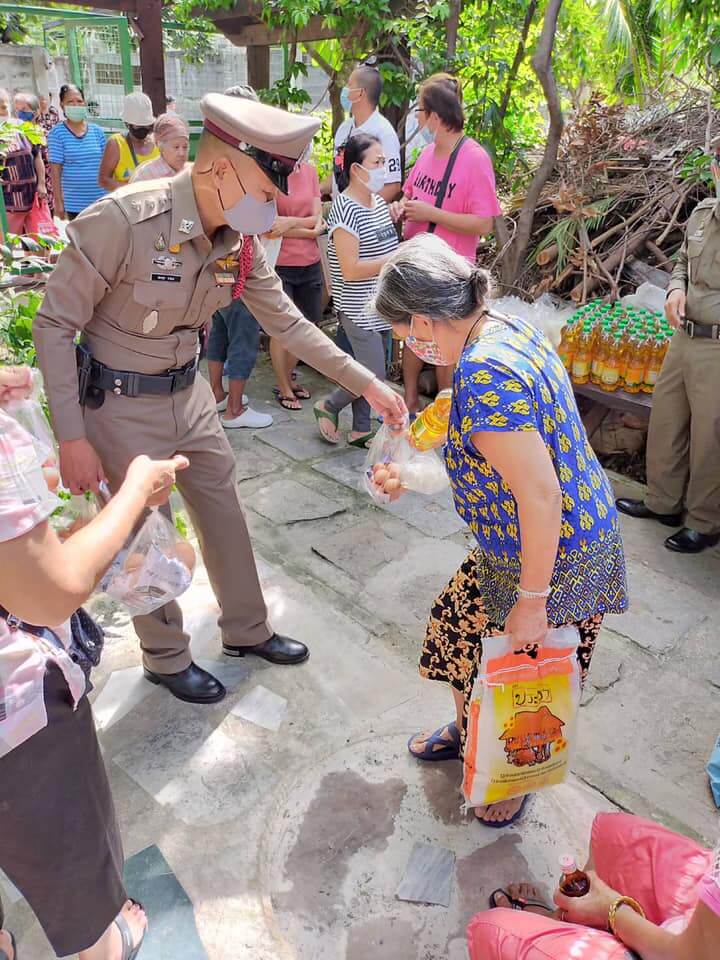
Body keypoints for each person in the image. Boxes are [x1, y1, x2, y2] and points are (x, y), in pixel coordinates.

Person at [33, 92, 406, 706]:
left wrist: (366, 383)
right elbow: (52, 326)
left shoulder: (237, 237)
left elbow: (288, 323)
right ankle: (166, 656)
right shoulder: (122, 220)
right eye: (267, 186)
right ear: (219, 168)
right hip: (120, 405)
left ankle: (246, 629)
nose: (274, 203)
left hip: (190, 398)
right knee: (143, 537)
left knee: (224, 511)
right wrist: (72, 436)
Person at [371, 234, 627, 826]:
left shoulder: (485, 372)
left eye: (405, 333)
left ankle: (510, 774)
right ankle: (470, 732)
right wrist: (412, 474)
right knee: (456, 629)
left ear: (426, 319)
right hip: (515, 543)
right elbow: (495, 449)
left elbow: (539, 495)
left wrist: (534, 603)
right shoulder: (500, 327)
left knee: (523, 677)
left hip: (554, 554)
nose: (407, 345)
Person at [0, 364, 190, 960]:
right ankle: (101, 944)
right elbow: (48, 590)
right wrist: (135, 492)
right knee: (69, 844)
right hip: (16, 708)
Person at [390, 73, 502, 415]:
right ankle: (409, 399)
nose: (418, 121)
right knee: (413, 333)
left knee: (445, 341)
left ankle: (445, 412)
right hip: (416, 261)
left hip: (451, 269)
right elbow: (410, 195)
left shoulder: (474, 158)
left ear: (436, 117)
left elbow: (484, 223)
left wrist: (433, 212)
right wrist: (401, 207)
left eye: (421, 113)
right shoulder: (426, 154)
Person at [467, 812, 720, 960]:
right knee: (612, 831)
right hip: (695, 932)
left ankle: (568, 926)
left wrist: (613, 910)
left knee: (491, 928)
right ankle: (568, 922)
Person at [616, 194, 720, 554]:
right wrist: (676, 288)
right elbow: (681, 264)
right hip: (684, 335)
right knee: (666, 420)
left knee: (710, 436)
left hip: (717, 346)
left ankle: (703, 523)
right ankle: (663, 503)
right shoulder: (704, 212)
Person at [313, 134, 399, 448]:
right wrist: (392, 260)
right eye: (376, 163)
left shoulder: (377, 202)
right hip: (357, 308)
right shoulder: (345, 210)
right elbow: (350, 270)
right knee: (373, 375)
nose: (382, 169)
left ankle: (362, 428)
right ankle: (329, 405)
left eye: (384, 162)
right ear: (355, 169)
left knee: (365, 369)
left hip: (380, 306)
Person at [206, 83, 274, 430]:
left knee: (219, 324)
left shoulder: (213, 156)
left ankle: (218, 393)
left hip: (218, 258)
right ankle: (235, 408)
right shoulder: (243, 157)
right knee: (244, 330)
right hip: (237, 259)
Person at [268, 154, 325, 410]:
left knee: (308, 324)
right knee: (282, 328)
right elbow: (270, 227)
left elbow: (318, 220)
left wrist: (290, 222)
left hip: (310, 261)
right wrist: (309, 230)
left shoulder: (310, 171)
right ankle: (283, 385)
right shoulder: (271, 172)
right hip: (281, 261)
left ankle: (289, 378)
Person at [327, 63, 401, 203]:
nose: (345, 90)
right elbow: (338, 174)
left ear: (361, 93)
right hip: (341, 217)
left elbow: (393, 186)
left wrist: (362, 211)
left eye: (349, 85)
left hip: (365, 220)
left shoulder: (384, 133)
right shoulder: (344, 129)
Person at [48, 84, 107, 220]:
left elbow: (106, 165)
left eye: (79, 101)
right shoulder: (57, 134)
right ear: (62, 105)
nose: (76, 105)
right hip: (74, 204)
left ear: (84, 103)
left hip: (101, 200)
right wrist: (58, 202)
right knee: (81, 241)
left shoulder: (97, 131)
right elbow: (55, 171)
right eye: (70, 102)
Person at [0, 94, 47, 236]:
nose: (2, 111)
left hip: (33, 198)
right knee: (7, 245)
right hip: (8, 201)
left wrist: (42, 184)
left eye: (3, 107)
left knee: (39, 242)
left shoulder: (24, 128)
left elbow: (37, 156)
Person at [98, 91, 160, 191]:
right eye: (138, 125)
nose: (143, 128)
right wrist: (132, 188)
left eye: (146, 124)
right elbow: (103, 180)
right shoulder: (116, 143)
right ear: (127, 123)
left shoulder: (158, 142)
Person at [129, 112, 190, 183]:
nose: (181, 153)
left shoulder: (191, 172)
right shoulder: (145, 176)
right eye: (176, 147)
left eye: (185, 147)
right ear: (161, 146)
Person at [36, 92, 60, 216]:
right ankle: (46, 212)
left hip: (53, 153)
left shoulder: (53, 113)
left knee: (53, 184)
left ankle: (52, 210)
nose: (43, 102)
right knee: (45, 184)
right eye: (41, 100)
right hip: (42, 155)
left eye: (45, 99)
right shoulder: (36, 117)